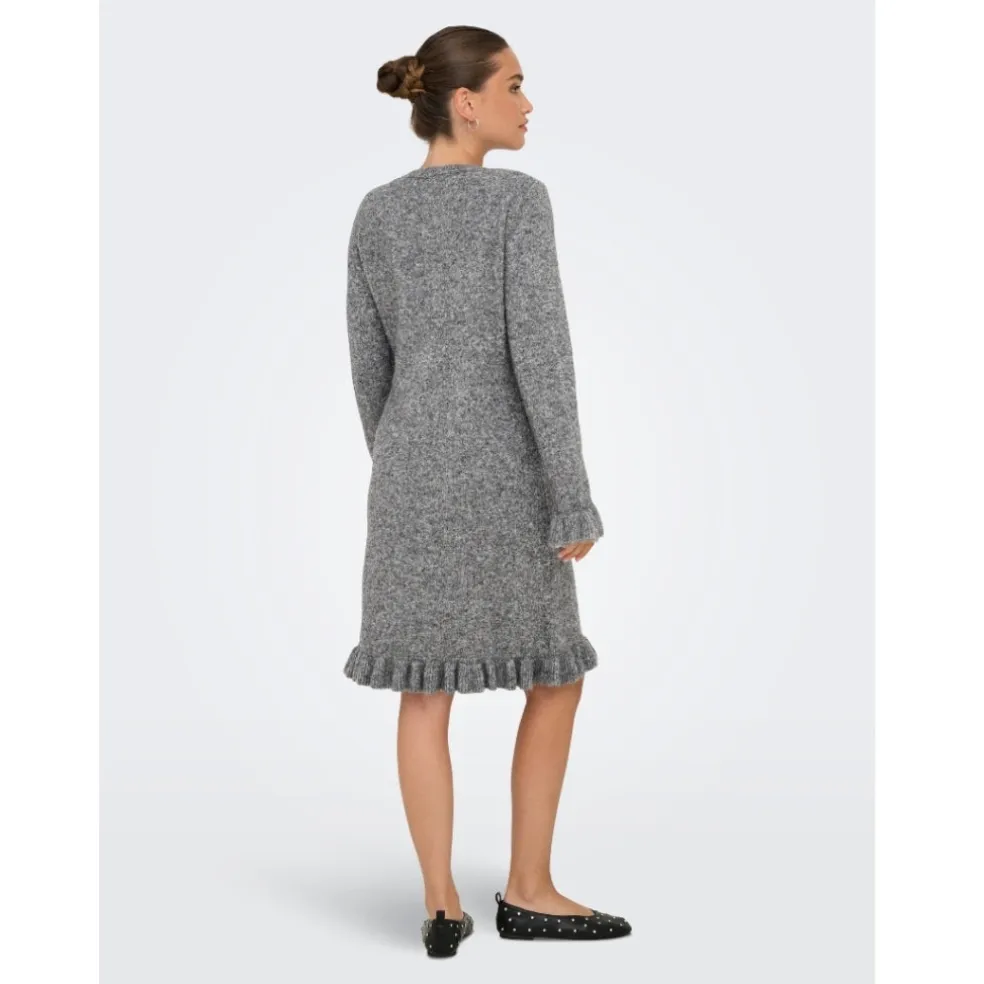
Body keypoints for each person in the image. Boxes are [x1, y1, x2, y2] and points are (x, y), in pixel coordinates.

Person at [343, 25, 631, 956]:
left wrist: (404, 465)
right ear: (465, 103)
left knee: (423, 690)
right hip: (508, 478)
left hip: (408, 480)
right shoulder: (517, 201)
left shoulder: (376, 214)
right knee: (555, 675)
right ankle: (528, 889)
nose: (528, 103)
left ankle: (440, 902)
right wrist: (570, 491)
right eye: (514, 85)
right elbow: (542, 355)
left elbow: (368, 369)